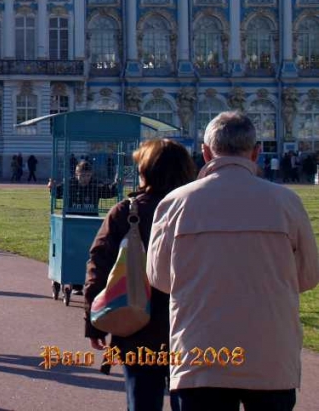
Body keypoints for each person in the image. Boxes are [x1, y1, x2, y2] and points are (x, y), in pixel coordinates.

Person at [148, 112, 319, 411]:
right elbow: (308, 276)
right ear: (256, 152)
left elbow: (159, 278)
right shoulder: (286, 202)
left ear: (205, 152)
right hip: (271, 353)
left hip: (200, 354)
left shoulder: (175, 203)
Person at [84, 139, 197, 411]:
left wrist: (94, 323)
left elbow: (99, 266)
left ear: (145, 171)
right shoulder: (199, 208)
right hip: (191, 325)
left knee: (142, 401)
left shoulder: (127, 211)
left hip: (137, 321)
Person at [49, 160, 115, 215]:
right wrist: (52, 187)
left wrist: (118, 185)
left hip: (90, 219)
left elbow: (109, 191)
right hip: (71, 219)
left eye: (88, 175)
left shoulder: (95, 184)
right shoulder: (69, 184)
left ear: (91, 174)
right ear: (76, 174)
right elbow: (56, 193)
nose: (85, 178)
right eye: (82, 175)